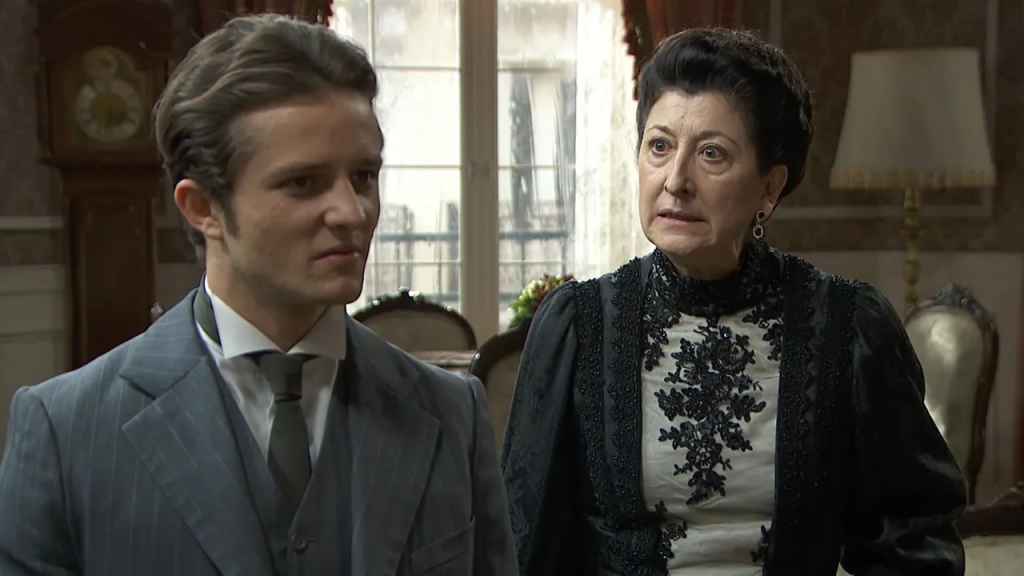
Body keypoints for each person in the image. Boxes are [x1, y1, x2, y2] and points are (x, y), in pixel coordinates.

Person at [0, 15, 516, 576]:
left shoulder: (451, 413)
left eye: (363, 177)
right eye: (302, 183)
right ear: (203, 208)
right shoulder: (66, 431)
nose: (352, 213)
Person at [501, 28, 966, 576]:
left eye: (712, 154)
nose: (676, 180)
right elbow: (522, 546)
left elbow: (914, 544)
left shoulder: (850, 328)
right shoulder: (579, 325)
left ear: (769, 187)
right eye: (659, 146)